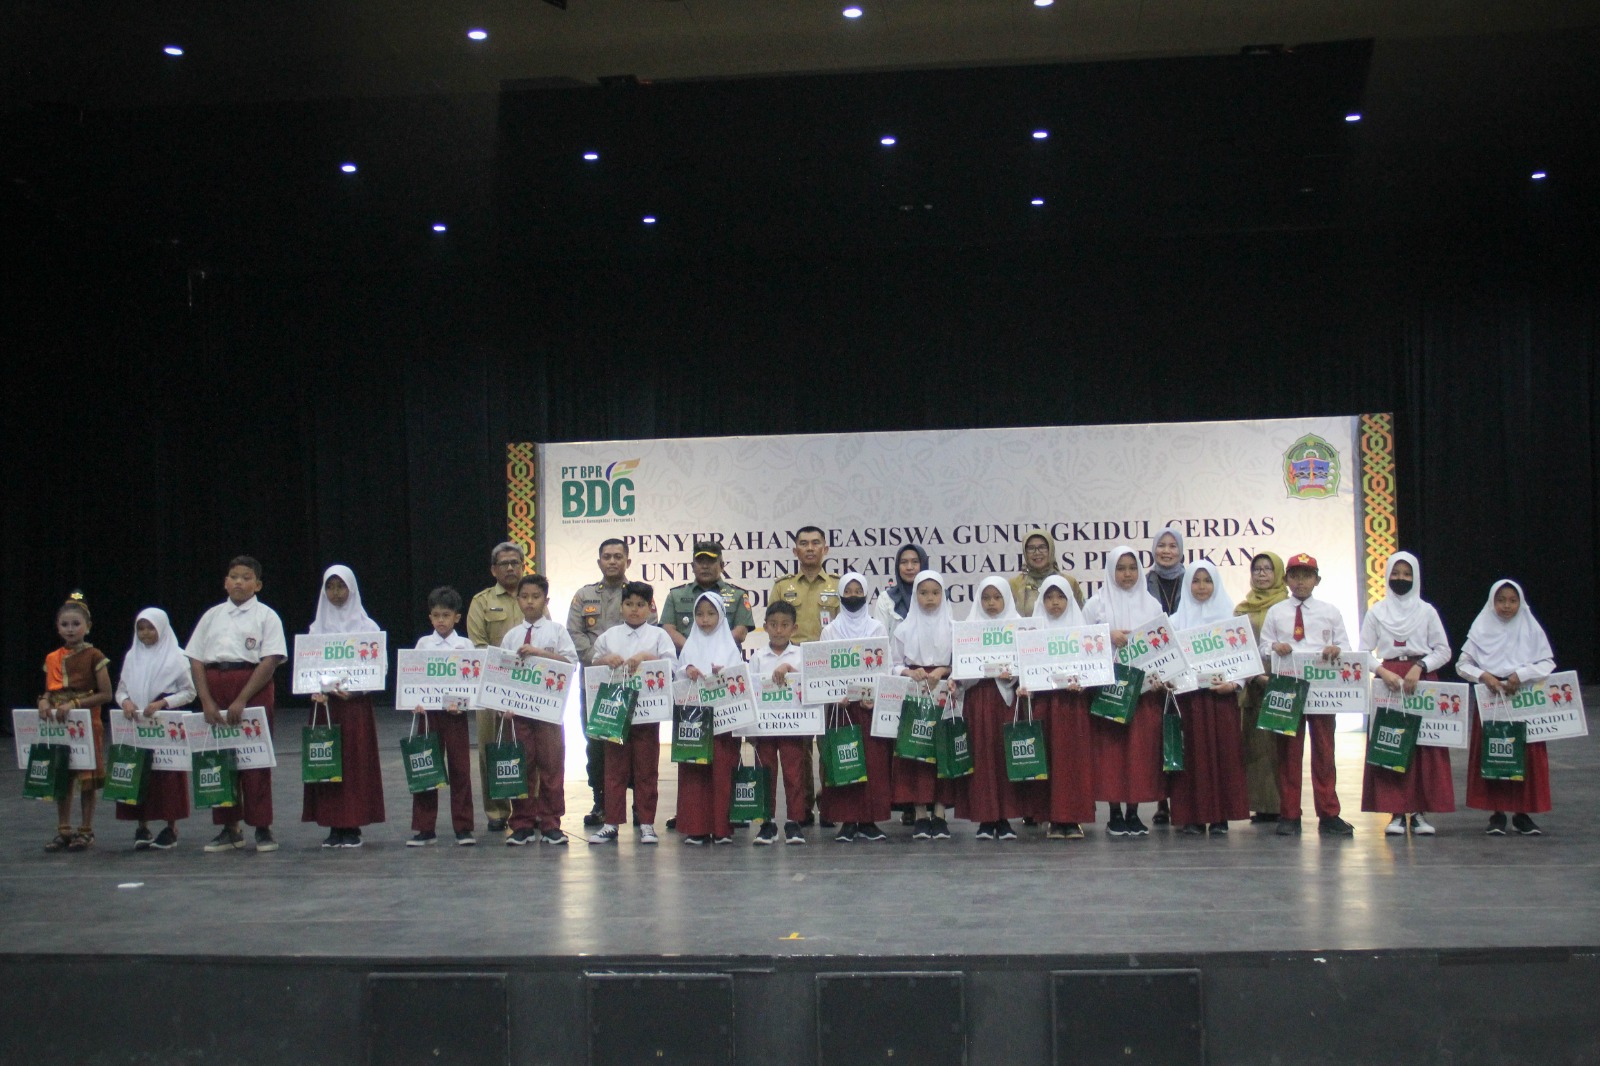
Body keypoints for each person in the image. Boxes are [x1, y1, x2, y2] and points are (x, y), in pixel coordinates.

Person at [186, 556, 287, 854]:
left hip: (252, 685)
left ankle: (262, 826)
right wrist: (205, 700)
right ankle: (229, 827)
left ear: (258, 584)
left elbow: (270, 660)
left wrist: (242, 698)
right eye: (234, 577)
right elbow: (196, 659)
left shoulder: (267, 616)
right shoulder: (212, 616)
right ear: (225, 582)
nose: (239, 582)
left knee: (255, 759)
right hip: (215, 684)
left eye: (246, 577)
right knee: (221, 759)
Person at [1258, 553, 1355, 837]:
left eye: (1307, 576)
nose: (1301, 582)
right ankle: (1289, 814)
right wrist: (1274, 646)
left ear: (1317, 580)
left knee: (1324, 752)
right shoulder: (1276, 612)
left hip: (1322, 689)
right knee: (1288, 753)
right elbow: (1263, 647)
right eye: (1295, 576)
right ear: (1286, 579)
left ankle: (1329, 813)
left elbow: (1346, 647)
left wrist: (1336, 649)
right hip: (1288, 688)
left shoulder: (1330, 611)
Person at [1360, 552, 1455, 836]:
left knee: (1422, 748)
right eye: (1396, 573)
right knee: (1391, 743)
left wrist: (1420, 666)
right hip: (1388, 681)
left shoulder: (1427, 611)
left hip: (1420, 680)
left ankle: (1419, 812)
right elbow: (1363, 652)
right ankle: (1396, 813)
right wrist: (1382, 671)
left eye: (1406, 574)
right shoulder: (1377, 612)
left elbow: (1443, 650)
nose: (1400, 578)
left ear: (1415, 577)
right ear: (1387, 575)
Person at [1458, 580, 1556, 836]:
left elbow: (1547, 663)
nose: (1506, 606)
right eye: (1501, 600)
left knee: (1525, 756)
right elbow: (1462, 664)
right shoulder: (1481, 627)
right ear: (1492, 602)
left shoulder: (1530, 627)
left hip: (1523, 699)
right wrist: (1484, 676)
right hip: (1491, 700)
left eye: (1513, 600)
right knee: (1495, 754)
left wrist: (1521, 675)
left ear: (1520, 602)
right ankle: (1497, 814)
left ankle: (1522, 815)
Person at [568, 538, 654, 828]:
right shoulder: (584, 595)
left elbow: (651, 631)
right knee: (597, 745)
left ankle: (639, 807)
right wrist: (599, 659)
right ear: (599, 562)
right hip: (596, 683)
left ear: (628, 561)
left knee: (637, 747)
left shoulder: (640, 593)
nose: (613, 561)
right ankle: (601, 803)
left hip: (635, 683)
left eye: (618, 556)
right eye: (607, 556)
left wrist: (630, 660)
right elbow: (574, 633)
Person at [1082, 548, 1166, 837]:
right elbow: (1082, 641)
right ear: (1110, 571)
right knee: (1111, 754)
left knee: (1138, 754)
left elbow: (1162, 644)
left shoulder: (1152, 605)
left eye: (1132, 567)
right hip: (1109, 693)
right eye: (1120, 568)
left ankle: (1134, 812)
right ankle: (1114, 813)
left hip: (1143, 694)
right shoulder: (1095, 604)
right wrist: (1108, 635)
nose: (1127, 574)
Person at [302, 565, 387, 848]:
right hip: (325, 706)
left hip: (354, 706)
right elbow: (307, 668)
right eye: (330, 587)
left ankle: (352, 824)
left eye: (341, 587)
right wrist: (315, 689)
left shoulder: (367, 627)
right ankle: (333, 825)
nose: (336, 593)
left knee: (354, 763)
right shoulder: (316, 629)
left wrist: (356, 689)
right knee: (327, 761)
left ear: (352, 589)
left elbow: (380, 668)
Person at [586, 580, 676, 846]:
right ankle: (611, 823)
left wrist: (647, 657)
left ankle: (647, 823)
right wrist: (605, 660)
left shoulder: (658, 636)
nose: (634, 610)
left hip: (647, 715)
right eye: (629, 604)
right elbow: (593, 666)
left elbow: (672, 667)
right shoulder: (609, 636)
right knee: (614, 770)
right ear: (621, 607)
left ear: (650, 608)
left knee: (646, 770)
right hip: (615, 713)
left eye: (640, 605)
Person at [1167, 562, 1249, 836]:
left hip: (1220, 699)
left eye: (1207, 580)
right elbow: (1167, 661)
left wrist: (1234, 684)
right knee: (1191, 755)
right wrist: (1169, 679)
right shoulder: (1176, 621)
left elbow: (1244, 660)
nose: (1201, 587)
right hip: (1189, 701)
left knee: (1222, 755)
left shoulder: (1230, 619)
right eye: (1196, 581)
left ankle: (1219, 816)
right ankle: (1191, 815)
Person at [498, 574, 577, 846]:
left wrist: (540, 653)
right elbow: (501, 673)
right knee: (522, 766)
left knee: (551, 766)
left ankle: (551, 823)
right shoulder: (511, 636)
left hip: (548, 712)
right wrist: (504, 706)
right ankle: (522, 823)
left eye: (535, 597)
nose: (530, 602)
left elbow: (570, 663)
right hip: (518, 714)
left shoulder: (557, 631)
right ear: (517, 600)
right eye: (524, 597)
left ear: (546, 600)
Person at [769, 526, 839, 825]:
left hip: (827, 668)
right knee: (799, 745)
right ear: (795, 550)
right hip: (792, 668)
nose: (810, 548)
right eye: (804, 543)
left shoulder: (838, 585)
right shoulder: (782, 586)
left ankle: (830, 805)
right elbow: (775, 627)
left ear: (825, 549)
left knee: (827, 741)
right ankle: (804, 808)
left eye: (815, 543)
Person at [961, 576, 1039, 841]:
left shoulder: (1018, 627)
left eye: (997, 598)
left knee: (1005, 756)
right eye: (985, 598)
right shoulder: (969, 628)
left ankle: (1005, 817)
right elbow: (962, 669)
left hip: (1007, 700)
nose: (991, 603)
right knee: (982, 756)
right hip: (979, 698)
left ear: (1007, 599)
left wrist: (1014, 675)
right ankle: (986, 818)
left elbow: (1028, 663)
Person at [818, 574, 892, 843]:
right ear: (840, 594)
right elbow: (824, 670)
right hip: (842, 709)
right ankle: (848, 821)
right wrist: (833, 695)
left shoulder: (877, 628)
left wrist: (875, 695)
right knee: (844, 762)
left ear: (866, 594)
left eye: (858, 591)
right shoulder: (829, 631)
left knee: (873, 764)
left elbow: (885, 666)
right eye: (847, 591)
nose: (852, 596)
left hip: (869, 707)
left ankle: (869, 821)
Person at [37, 595, 113, 852]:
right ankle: (64, 829)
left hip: (86, 721)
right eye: (65, 624)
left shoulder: (94, 655)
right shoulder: (52, 658)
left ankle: (86, 830)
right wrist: (44, 701)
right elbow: (50, 690)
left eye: (76, 624)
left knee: (86, 777)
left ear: (87, 627)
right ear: (58, 628)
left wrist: (75, 704)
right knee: (63, 774)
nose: (70, 629)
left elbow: (106, 694)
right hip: (60, 722)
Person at [113, 608, 194, 850]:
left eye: (151, 628)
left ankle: (171, 827)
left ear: (162, 628)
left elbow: (189, 692)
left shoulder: (178, 656)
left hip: (163, 722)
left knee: (167, 776)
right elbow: (121, 690)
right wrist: (126, 702)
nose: (145, 633)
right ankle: (142, 825)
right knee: (139, 772)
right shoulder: (132, 656)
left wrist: (162, 703)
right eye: (141, 628)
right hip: (138, 722)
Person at [889, 569, 959, 840]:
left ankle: (939, 814)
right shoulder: (903, 629)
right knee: (916, 751)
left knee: (942, 752)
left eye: (935, 593)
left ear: (943, 595)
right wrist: (909, 672)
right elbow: (893, 664)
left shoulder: (953, 628)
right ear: (914, 595)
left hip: (943, 692)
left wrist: (944, 670)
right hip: (914, 691)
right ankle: (919, 813)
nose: (929, 598)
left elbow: (961, 662)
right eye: (923, 593)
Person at [1022, 575, 1093, 840]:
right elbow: (1025, 666)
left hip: (1073, 705)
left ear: (1070, 600)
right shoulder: (1033, 632)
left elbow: (1094, 667)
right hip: (1044, 704)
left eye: (1061, 597)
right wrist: (1025, 683)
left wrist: (1084, 683)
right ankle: (1051, 817)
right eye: (1049, 597)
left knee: (1073, 761)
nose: (1055, 603)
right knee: (1048, 759)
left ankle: (1073, 818)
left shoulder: (1082, 630)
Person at [468, 541, 531, 835]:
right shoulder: (481, 601)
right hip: (491, 687)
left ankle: (530, 809)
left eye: (515, 563)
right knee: (491, 748)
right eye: (504, 564)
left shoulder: (532, 597)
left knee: (530, 748)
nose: (510, 568)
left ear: (523, 567)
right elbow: (478, 645)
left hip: (529, 687)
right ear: (494, 570)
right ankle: (496, 811)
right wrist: (507, 668)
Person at [673, 591, 746, 846]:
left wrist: (722, 673)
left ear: (721, 615)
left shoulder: (730, 647)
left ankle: (722, 828)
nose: (705, 619)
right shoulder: (690, 645)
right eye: (700, 614)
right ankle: (696, 828)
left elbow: (738, 679)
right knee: (694, 773)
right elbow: (679, 675)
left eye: (711, 614)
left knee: (723, 773)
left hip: (723, 724)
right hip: (695, 721)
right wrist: (688, 669)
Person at [408, 586, 477, 846]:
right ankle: (425, 828)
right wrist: (414, 702)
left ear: (457, 617)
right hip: (429, 715)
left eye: (446, 615)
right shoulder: (423, 644)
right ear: (430, 617)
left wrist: (463, 704)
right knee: (426, 768)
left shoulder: (465, 645)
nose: (441, 621)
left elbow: (472, 683)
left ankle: (463, 827)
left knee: (460, 769)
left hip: (455, 715)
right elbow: (414, 679)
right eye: (436, 615)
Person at [747, 600, 813, 845]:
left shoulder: (800, 655)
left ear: (794, 628)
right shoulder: (757, 657)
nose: (778, 630)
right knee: (765, 773)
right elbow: (751, 691)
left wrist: (789, 668)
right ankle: (767, 823)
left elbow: (808, 685)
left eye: (785, 625)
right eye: (773, 625)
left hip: (793, 727)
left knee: (794, 774)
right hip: (764, 728)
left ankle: (794, 822)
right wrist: (750, 729)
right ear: (765, 627)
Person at [1233, 552, 1286, 822]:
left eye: (1268, 569)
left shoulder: (1288, 606)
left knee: (1281, 747)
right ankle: (1262, 805)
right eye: (1257, 569)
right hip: (1253, 683)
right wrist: (1254, 676)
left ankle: (1285, 805)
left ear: (1278, 573)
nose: (1262, 574)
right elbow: (1237, 647)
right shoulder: (1242, 609)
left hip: (1282, 684)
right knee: (1256, 747)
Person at [662, 541, 755, 651]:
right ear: (692, 566)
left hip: (725, 658)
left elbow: (740, 633)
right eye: (700, 562)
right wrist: (691, 650)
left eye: (710, 562)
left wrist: (711, 651)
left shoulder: (738, 595)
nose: (705, 566)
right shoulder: (675, 596)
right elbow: (668, 630)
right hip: (686, 658)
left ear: (722, 566)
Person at [1010, 528, 1084, 616]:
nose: (1037, 553)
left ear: (1051, 549)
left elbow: (1080, 616)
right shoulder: (1015, 585)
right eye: (1031, 548)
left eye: (1042, 547)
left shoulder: (1068, 582)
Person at [872, 543, 930, 640]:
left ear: (923, 564)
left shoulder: (939, 597)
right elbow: (880, 641)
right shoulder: (886, 599)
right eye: (904, 562)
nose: (909, 567)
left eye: (915, 562)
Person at [1145, 527, 1187, 615]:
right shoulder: (1144, 582)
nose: (1166, 551)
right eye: (1161, 545)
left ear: (1180, 550)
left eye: (1172, 546)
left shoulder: (1190, 581)